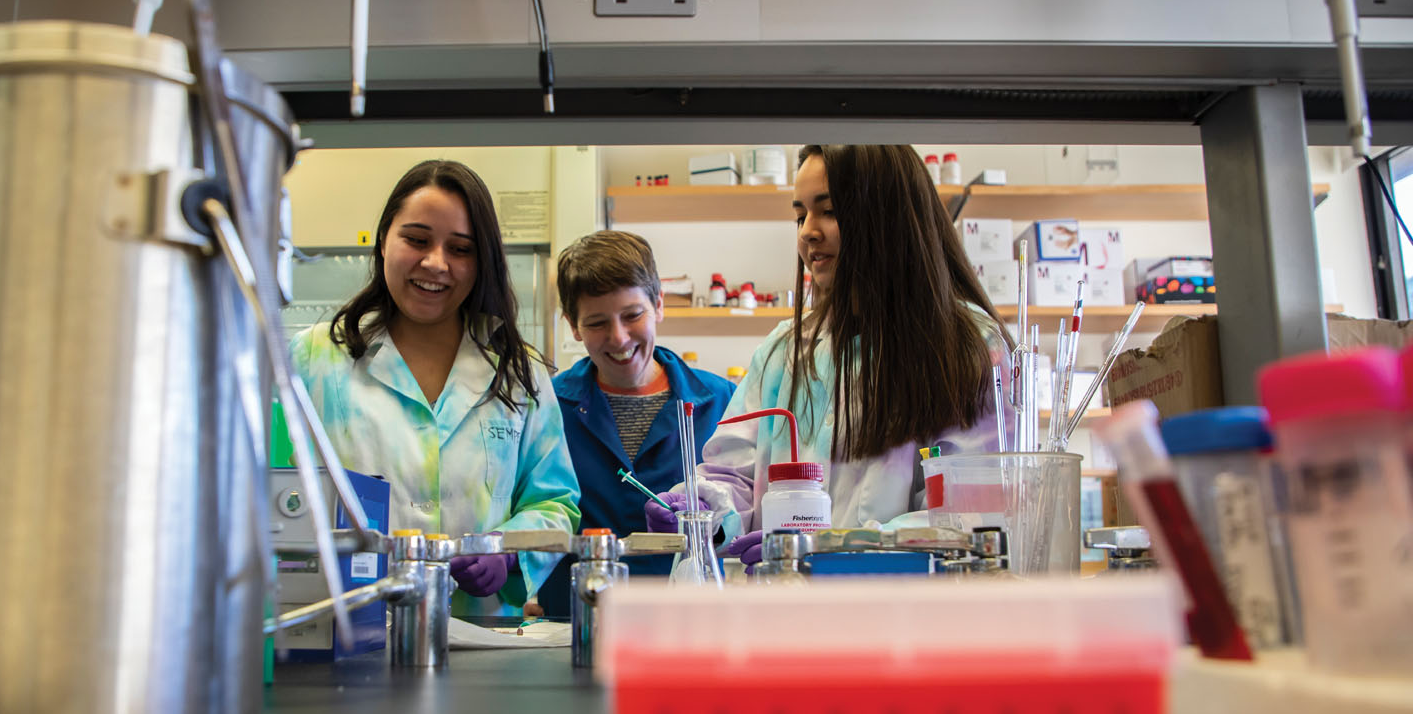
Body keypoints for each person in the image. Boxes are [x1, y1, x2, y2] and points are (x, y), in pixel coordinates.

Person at [647, 145, 1010, 566]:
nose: (807, 232)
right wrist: (703, 511)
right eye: (800, 215)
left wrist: (836, 548)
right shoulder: (785, 350)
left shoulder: (967, 348)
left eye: (830, 211)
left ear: (890, 218)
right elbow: (734, 473)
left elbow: (970, 517)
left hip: (904, 618)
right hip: (787, 614)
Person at [290, 159, 580, 617]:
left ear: (481, 261)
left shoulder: (516, 370)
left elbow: (555, 501)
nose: (436, 263)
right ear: (385, 238)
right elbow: (272, 494)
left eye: (461, 249)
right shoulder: (314, 358)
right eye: (417, 239)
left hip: (479, 641)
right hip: (345, 630)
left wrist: (506, 552)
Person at [535, 231, 735, 615]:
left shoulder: (722, 402)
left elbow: (743, 516)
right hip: (577, 627)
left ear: (658, 304)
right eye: (596, 323)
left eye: (632, 315)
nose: (619, 337)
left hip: (691, 626)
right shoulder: (547, 407)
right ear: (573, 326)